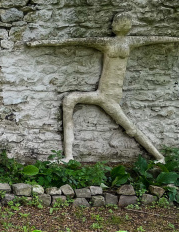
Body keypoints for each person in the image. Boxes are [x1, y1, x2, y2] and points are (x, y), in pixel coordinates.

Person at [28, 12, 178, 163]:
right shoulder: (107, 42)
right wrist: (41, 43)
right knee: (70, 99)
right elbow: (74, 41)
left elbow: (157, 40)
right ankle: (69, 157)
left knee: (131, 128)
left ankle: (159, 157)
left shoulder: (130, 42)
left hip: (111, 98)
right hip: (102, 94)